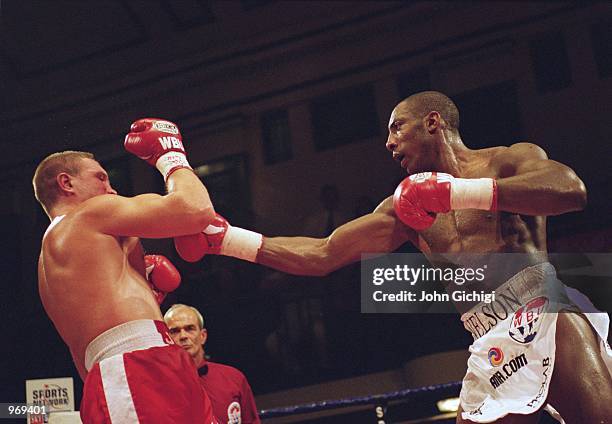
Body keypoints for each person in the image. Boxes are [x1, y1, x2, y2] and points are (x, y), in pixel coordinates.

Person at [173, 91, 612, 423]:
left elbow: (570, 192)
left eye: (397, 127)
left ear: (433, 122)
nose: (388, 143)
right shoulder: (405, 210)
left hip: (543, 310)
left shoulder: (507, 161)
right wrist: (227, 239)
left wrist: (455, 192)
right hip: (488, 341)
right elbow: (323, 253)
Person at [33, 119, 220, 423]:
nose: (111, 188)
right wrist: (171, 155)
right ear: (67, 183)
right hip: (137, 371)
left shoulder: (47, 271)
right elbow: (195, 209)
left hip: (126, 372)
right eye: (101, 178)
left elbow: (87, 364)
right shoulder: (88, 215)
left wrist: (139, 284)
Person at [164, 304, 261, 424]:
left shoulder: (233, 378)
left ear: (202, 336)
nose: (183, 336)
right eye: (175, 331)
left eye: (189, 329)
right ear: (166, 339)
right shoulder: (159, 386)